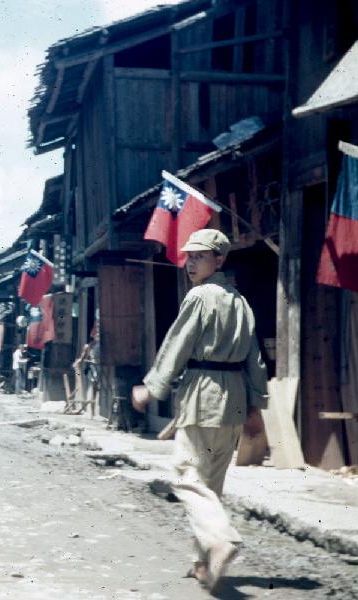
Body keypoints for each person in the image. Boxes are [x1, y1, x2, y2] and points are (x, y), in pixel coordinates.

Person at [131, 229, 268, 592]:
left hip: (204, 394)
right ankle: (203, 563)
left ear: (219, 259)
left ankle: (220, 539)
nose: (190, 263)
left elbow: (178, 343)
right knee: (211, 484)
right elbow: (255, 358)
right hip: (234, 398)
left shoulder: (200, 297)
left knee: (188, 477)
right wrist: (256, 407)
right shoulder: (240, 301)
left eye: (200, 256)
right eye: (188, 256)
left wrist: (153, 387)